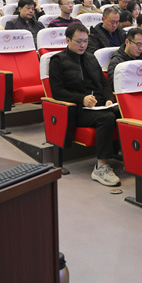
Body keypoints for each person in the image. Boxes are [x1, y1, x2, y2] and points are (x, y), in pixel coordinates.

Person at [48, 24, 120, 186]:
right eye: (79, 41)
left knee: (123, 112)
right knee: (107, 118)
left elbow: (104, 83)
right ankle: (101, 167)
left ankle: (130, 158)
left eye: (85, 41)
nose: (83, 45)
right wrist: (82, 99)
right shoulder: (58, 61)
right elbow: (57, 92)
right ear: (68, 40)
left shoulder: (90, 57)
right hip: (77, 110)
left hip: (99, 105)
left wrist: (109, 99)